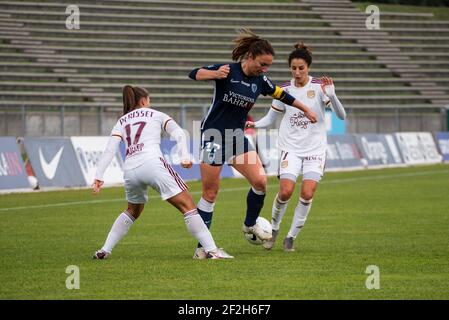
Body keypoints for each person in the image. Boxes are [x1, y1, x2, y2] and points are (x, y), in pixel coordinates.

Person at [188, 29, 318, 259]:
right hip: (213, 136)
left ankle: (250, 224)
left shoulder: (260, 81)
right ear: (250, 57)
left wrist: (306, 108)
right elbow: (193, 73)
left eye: (268, 66)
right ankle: (203, 249)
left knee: (260, 182)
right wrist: (214, 74)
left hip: (237, 137)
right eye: (262, 64)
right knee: (210, 192)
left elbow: (282, 95)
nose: (265, 69)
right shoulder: (228, 70)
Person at [91, 85, 233, 260]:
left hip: (129, 169)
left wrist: (99, 176)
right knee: (188, 208)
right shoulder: (156, 114)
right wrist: (184, 155)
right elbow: (180, 133)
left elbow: (110, 149)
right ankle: (212, 251)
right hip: (152, 163)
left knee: (132, 211)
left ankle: (105, 249)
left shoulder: (121, 121)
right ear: (143, 101)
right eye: (148, 100)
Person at [246, 42, 346, 252]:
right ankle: (273, 230)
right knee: (285, 192)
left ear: (308, 67)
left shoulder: (320, 87)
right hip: (290, 148)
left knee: (307, 193)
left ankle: (291, 237)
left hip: (315, 150)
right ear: (290, 68)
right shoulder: (284, 90)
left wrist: (333, 94)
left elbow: (342, 116)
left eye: (301, 68)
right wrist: (254, 124)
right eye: (294, 68)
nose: (297, 72)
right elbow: (270, 118)